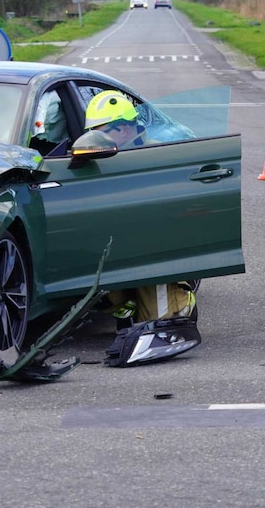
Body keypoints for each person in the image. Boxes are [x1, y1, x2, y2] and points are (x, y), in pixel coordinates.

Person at [83, 90, 201, 366]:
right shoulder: (99, 158)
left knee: (160, 322)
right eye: (92, 133)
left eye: (101, 132)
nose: (95, 140)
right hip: (117, 244)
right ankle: (127, 307)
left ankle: (183, 303)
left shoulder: (157, 155)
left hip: (154, 248)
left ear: (124, 129)